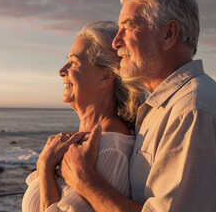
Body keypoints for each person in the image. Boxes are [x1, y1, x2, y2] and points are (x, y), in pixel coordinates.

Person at [60, 0, 216, 212]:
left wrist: (85, 180)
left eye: (128, 27)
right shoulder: (167, 107)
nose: (115, 41)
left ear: (168, 34)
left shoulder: (193, 113)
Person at [22, 21, 145, 212]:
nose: (62, 70)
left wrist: (46, 168)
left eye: (74, 62)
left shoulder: (111, 148)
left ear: (105, 77)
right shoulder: (82, 141)